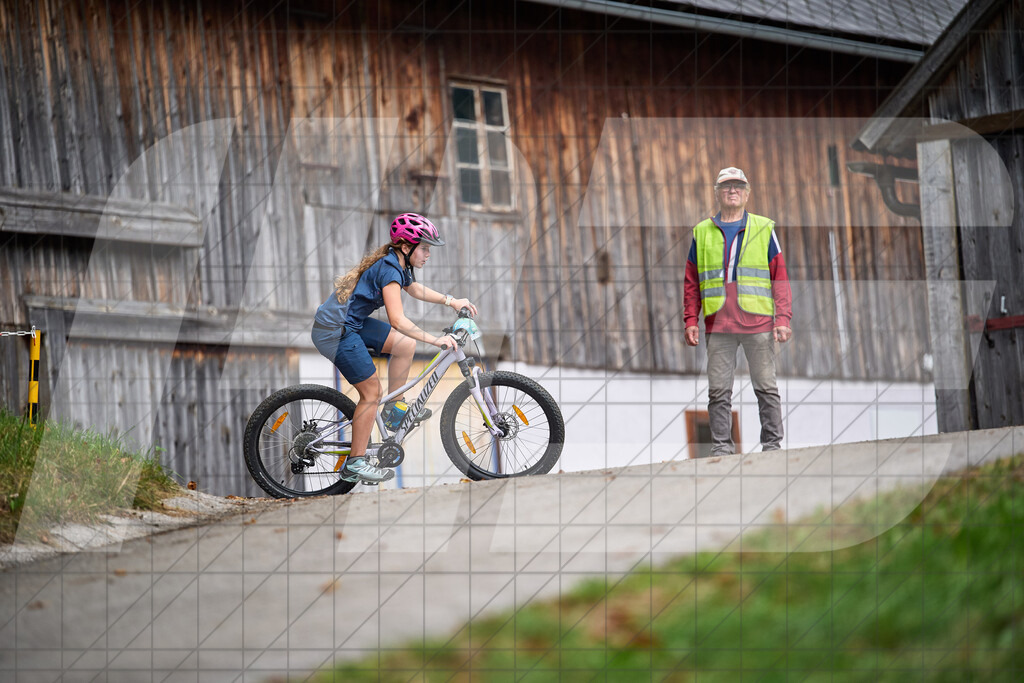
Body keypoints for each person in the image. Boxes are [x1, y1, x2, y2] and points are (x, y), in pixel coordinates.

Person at [311, 213, 478, 483]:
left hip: (349, 324)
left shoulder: (398, 264)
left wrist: (451, 300)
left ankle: (393, 410)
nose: (428, 254)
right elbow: (397, 319)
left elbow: (414, 290)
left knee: (404, 345)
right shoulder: (390, 268)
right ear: (406, 246)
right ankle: (355, 463)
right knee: (371, 393)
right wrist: (436, 340)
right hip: (334, 332)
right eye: (424, 248)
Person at [683, 167, 792, 456]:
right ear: (717, 192)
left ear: (747, 193)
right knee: (718, 391)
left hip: (757, 323)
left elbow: (779, 277)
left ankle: (772, 445)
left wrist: (782, 319)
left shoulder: (763, 227)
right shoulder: (701, 232)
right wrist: (690, 319)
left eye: (738, 185)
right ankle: (721, 449)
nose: (732, 190)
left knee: (766, 387)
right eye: (726, 185)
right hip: (719, 324)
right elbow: (692, 282)